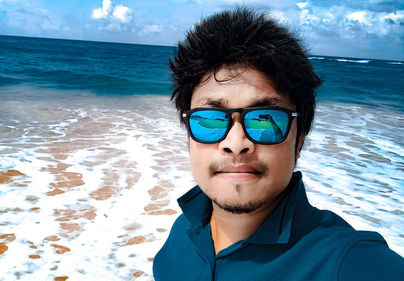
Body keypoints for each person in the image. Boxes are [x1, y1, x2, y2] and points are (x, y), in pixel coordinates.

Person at [153, 7, 404, 281]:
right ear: (188, 135)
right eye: (210, 120)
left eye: (266, 120)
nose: (236, 143)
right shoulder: (182, 233)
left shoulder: (347, 263)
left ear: (300, 140)